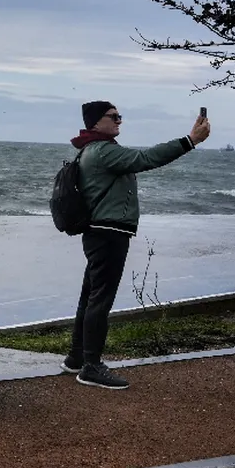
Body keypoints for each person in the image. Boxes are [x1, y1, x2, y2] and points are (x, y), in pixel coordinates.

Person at [63, 101, 210, 390]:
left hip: (99, 232)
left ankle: (77, 358)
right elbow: (146, 158)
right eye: (113, 116)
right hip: (109, 233)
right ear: (96, 122)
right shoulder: (103, 151)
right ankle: (91, 366)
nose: (119, 120)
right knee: (100, 300)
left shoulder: (90, 150)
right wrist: (190, 140)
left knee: (90, 296)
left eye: (120, 116)